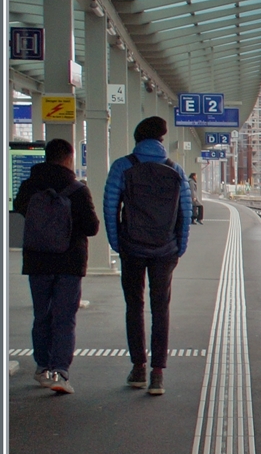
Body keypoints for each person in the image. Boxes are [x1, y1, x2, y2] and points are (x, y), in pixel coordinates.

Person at [104, 117, 192, 396]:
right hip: (165, 249)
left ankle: (139, 368)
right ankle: (157, 375)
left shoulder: (122, 166)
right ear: (161, 140)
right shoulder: (175, 170)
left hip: (132, 247)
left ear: (137, 139)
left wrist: (117, 243)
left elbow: (109, 208)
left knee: (134, 306)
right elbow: (186, 213)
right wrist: (179, 247)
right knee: (160, 308)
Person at [11, 138, 101, 394]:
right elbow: (92, 228)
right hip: (69, 261)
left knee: (42, 316)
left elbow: (20, 209)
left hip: (37, 258)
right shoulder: (77, 189)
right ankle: (60, 372)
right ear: (69, 158)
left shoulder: (29, 185)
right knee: (64, 318)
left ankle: (41, 367)